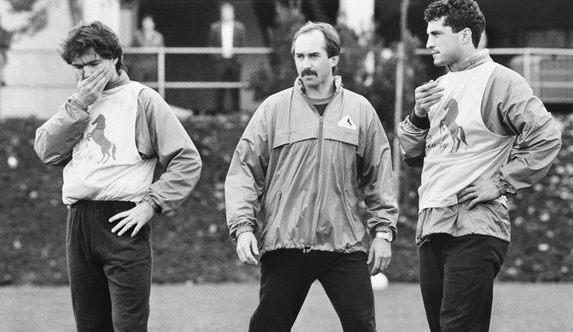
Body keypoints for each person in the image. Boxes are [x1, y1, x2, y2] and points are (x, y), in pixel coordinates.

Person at [397, 1, 562, 331]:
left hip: (474, 226)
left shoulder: (500, 81)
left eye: (436, 34)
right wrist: (417, 114)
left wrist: (501, 181)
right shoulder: (438, 87)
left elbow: (546, 136)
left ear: (465, 35)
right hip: (432, 225)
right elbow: (413, 156)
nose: (427, 43)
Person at [225, 22, 399, 332]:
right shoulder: (273, 110)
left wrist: (383, 232)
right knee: (267, 327)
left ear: (333, 59)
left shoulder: (360, 110)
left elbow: (379, 175)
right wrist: (243, 228)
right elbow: (243, 172)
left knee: (362, 326)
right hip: (285, 243)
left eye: (314, 56)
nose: (305, 64)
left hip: (343, 245)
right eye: (299, 56)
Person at [34, 21, 202, 332]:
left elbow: (187, 159)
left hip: (124, 222)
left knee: (129, 327)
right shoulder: (77, 103)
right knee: (89, 326)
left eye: (94, 64)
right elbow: (46, 150)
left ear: (115, 58)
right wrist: (79, 104)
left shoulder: (142, 99)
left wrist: (152, 203)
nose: (87, 75)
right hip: (79, 223)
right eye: (79, 67)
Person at [208, 2, 247, 113]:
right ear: (221, 14)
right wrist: (216, 58)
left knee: (235, 88)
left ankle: (236, 111)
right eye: (224, 12)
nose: (227, 14)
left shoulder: (240, 27)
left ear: (233, 13)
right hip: (221, 61)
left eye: (229, 12)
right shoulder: (214, 27)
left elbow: (243, 45)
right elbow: (211, 45)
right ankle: (219, 111)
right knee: (220, 88)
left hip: (234, 61)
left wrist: (239, 60)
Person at [130, 14, 164, 82]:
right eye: (145, 22)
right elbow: (131, 49)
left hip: (152, 65)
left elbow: (161, 50)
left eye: (148, 22)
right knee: (138, 86)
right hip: (139, 65)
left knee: (150, 86)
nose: (146, 24)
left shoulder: (158, 36)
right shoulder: (137, 35)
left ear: (153, 24)